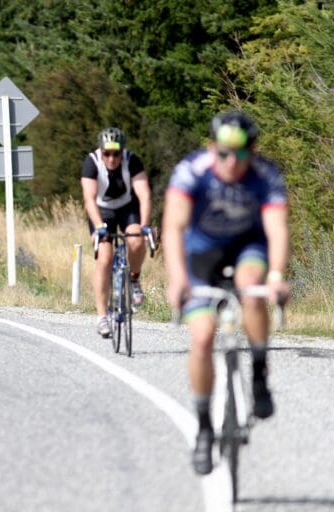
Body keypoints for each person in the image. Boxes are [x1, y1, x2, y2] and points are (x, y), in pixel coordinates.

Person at [162, 111, 290, 475]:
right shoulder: (191, 171)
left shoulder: (267, 176)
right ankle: (204, 428)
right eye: (223, 153)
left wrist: (277, 276)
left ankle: (259, 372)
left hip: (248, 246)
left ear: (253, 151)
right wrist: (176, 280)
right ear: (212, 147)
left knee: (252, 288)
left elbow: (277, 229)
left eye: (241, 154)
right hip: (201, 253)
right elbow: (173, 228)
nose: (232, 163)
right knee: (202, 338)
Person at [80, 127, 153, 338]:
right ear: (101, 151)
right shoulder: (91, 162)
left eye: (116, 154)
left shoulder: (133, 161)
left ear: (123, 152)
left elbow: (145, 195)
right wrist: (99, 227)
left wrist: (145, 225)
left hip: (127, 207)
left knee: (137, 240)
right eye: (107, 154)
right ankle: (102, 316)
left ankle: (134, 278)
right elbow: (89, 198)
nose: (112, 159)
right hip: (101, 211)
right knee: (105, 257)